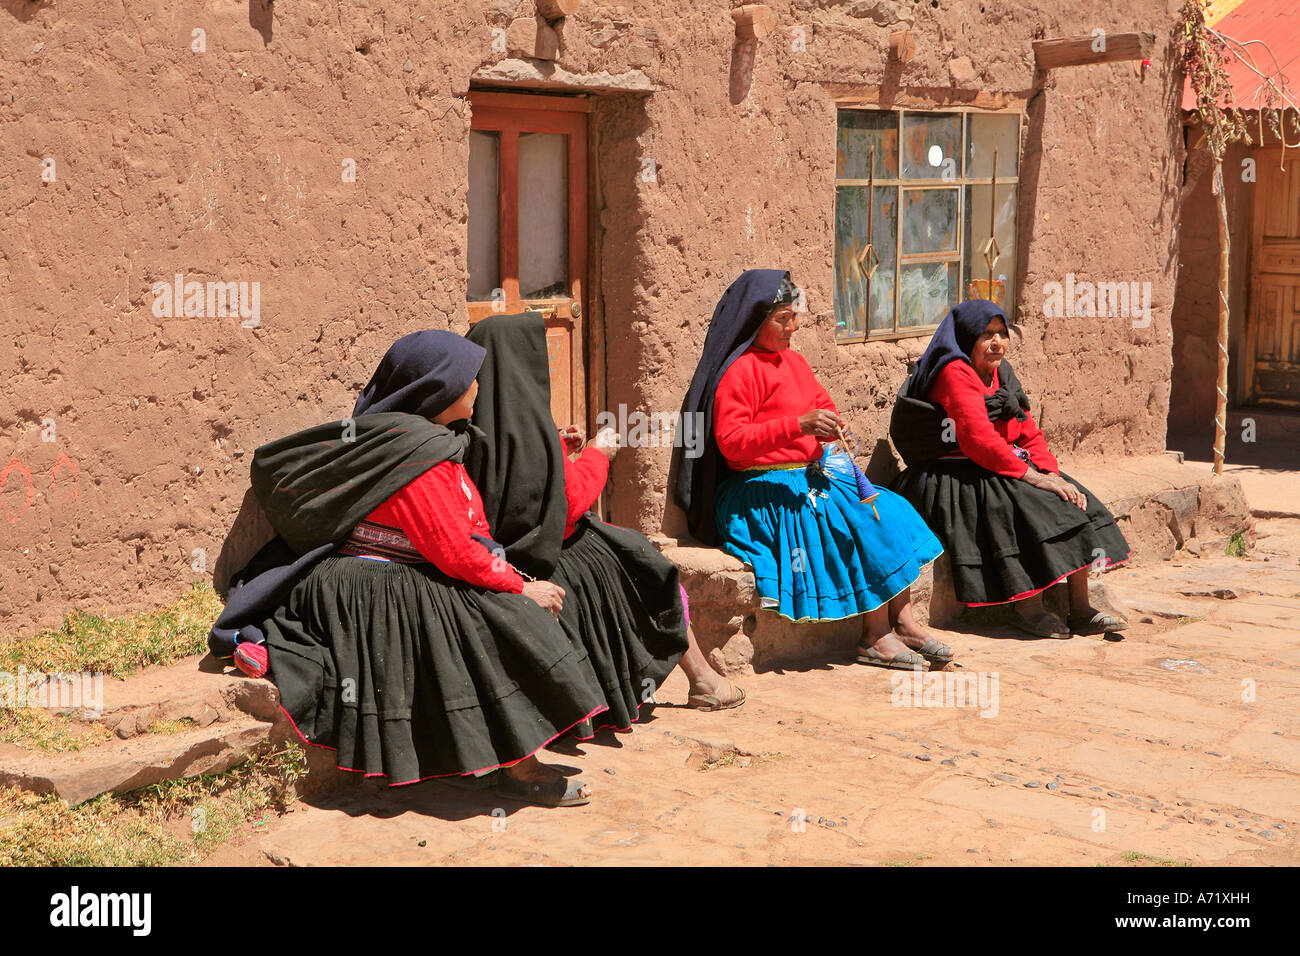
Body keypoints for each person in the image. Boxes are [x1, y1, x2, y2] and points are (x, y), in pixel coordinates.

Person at [208, 330, 607, 807]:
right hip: (370, 580)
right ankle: (521, 770)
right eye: (469, 380)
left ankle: (471, 762)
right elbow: (453, 552)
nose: (478, 387)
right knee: (492, 621)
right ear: (439, 390)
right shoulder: (417, 455)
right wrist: (521, 589)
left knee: (478, 612)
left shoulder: (430, 439)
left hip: (397, 567)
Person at [463, 313, 744, 730]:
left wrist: (559, 445)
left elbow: (520, 484)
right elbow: (569, 502)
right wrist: (597, 454)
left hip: (499, 554)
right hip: (549, 554)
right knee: (647, 565)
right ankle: (702, 679)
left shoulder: (468, 427)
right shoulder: (531, 434)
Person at [673, 270, 949, 671]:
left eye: (794, 317)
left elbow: (821, 403)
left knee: (886, 510)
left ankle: (903, 621)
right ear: (755, 320)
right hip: (760, 490)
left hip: (810, 475)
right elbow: (732, 443)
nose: (793, 326)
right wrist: (798, 425)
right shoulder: (740, 372)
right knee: (852, 521)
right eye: (782, 318)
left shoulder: (795, 362)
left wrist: (832, 424)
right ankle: (875, 636)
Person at [889, 299, 1130, 637]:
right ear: (967, 337)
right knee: (1017, 507)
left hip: (1004, 460)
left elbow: (1028, 429)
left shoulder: (1003, 373)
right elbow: (977, 440)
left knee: (1070, 499)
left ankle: (1079, 607)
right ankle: (1027, 609)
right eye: (986, 334)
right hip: (955, 468)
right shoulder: (954, 372)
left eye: (1002, 334)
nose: (997, 342)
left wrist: (1049, 473)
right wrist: (1030, 477)